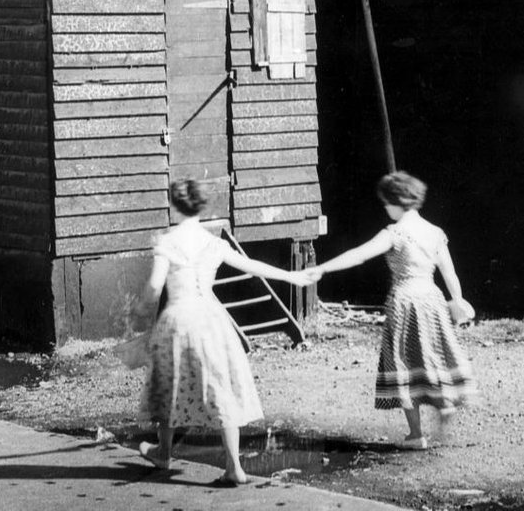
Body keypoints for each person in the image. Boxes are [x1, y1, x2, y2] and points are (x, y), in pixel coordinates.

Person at [134, 178, 309, 486]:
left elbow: (153, 288)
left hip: (177, 320)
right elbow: (253, 265)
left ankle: (163, 452)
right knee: (220, 388)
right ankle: (234, 466)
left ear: (173, 205)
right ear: (202, 207)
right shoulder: (214, 244)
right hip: (210, 321)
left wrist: (140, 312)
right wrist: (292, 276)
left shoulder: (166, 242)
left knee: (168, 385)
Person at [304, 170, 477, 450]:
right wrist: (457, 299)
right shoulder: (434, 232)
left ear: (397, 202)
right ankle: (444, 403)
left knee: (403, 361)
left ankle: (416, 434)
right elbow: (449, 272)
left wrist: (323, 268)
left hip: (405, 300)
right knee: (432, 354)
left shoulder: (394, 233)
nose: (385, 207)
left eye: (386, 202)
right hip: (431, 298)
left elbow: (359, 255)